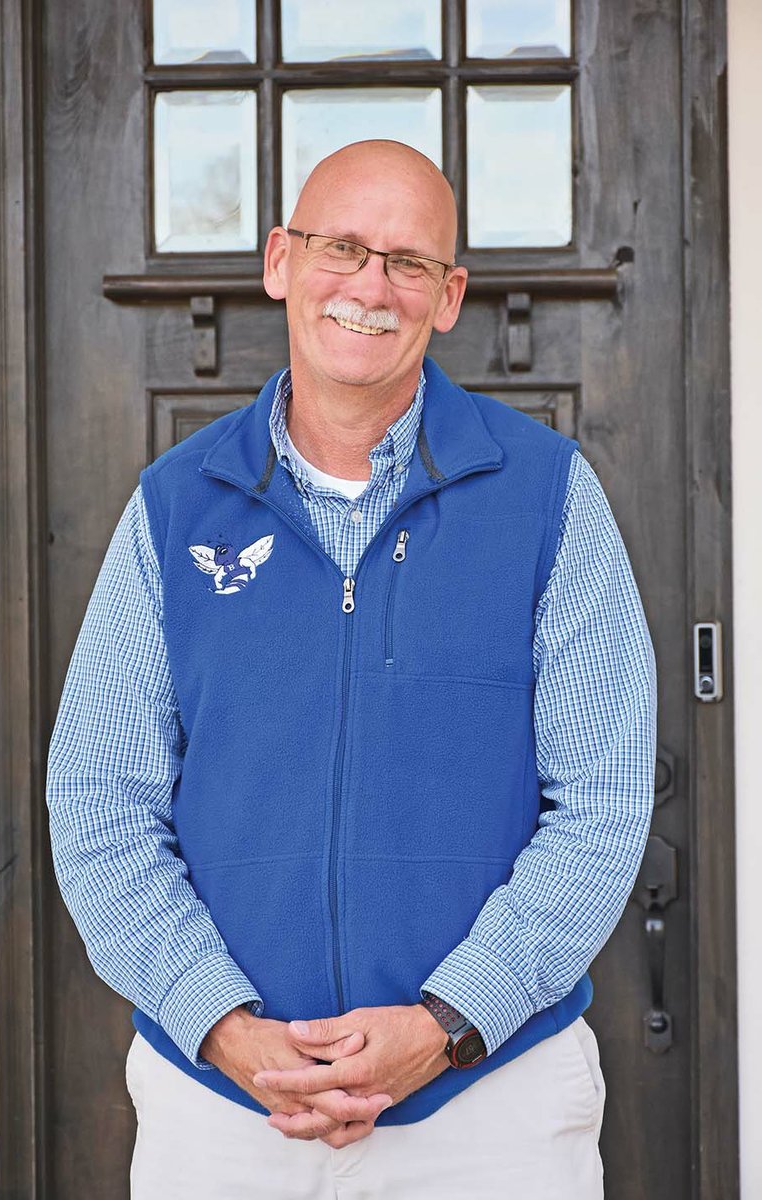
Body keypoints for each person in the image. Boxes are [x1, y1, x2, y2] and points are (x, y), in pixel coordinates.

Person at [46, 139, 656, 1199]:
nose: (369, 287)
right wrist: (223, 1026)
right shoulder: (171, 503)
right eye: (341, 248)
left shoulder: (550, 496)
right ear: (281, 260)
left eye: (407, 262)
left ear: (450, 294)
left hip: (489, 1103)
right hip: (225, 1110)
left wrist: (449, 1019)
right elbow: (101, 803)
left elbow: (599, 803)